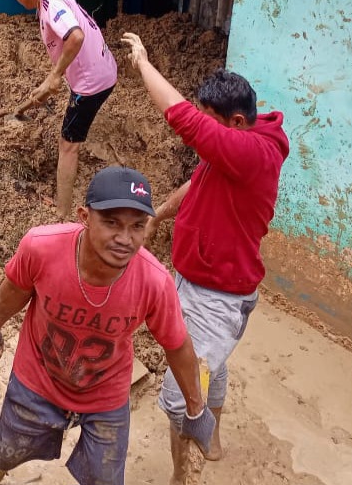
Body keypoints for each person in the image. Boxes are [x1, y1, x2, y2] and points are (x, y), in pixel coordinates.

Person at [0, 166, 216, 485]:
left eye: (137, 226)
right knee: (5, 452)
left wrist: (195, 409)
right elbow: (15, 291)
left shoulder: (154, 282)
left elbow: (177, 346)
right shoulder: (42, 248)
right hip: (38, 380)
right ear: (84, 216)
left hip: (105, 395)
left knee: (105, 479)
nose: (124, 239)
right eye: (111, 223)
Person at [120, 32, 289, 483]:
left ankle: (184, 475)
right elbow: (198, 183)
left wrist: (142, 63)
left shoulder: (253, 153)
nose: (203, 129)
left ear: (234, 123)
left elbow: (184, 121)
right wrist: (156, 217)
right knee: (212, 366)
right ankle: (211, 439)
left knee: (179, 400)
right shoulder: (236, 150)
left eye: (212, 122)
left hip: (217, 296)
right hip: (204, 283)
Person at [5, 0, 117, 219]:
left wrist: (54, 76)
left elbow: (75, 36)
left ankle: (62, 214)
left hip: (91, 84)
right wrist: (50, 81)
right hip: (101, 70)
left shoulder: (50, 4)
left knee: (68, 145)